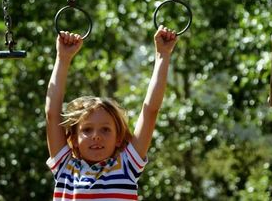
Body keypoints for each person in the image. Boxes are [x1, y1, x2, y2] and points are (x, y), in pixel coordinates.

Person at [45, 25, 178, 200]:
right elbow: (52, 114)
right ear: (74, 140)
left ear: (118, 138)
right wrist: (63, 59)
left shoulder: (126, 166)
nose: (96, 136)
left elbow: (150, 110)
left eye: (105, 129)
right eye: (87, 130)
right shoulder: (65, 168)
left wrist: (162, 55)